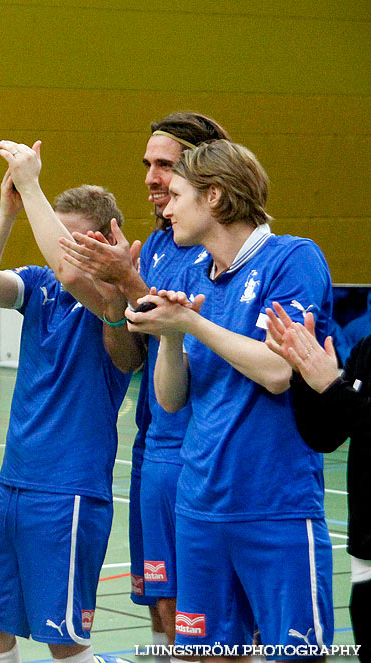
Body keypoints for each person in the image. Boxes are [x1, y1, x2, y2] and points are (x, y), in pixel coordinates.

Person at [127, 140, 333, 650]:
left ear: (214, 197)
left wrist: (191, 322)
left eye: (177, 194)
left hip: (274, 506)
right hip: (200, 505)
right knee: (211, 655)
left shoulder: (292, 257)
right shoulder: (197, 273)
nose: (166, 206)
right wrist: (172, 335)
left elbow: (278, 369)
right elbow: (171, 402)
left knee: (296, 655)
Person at [0, 142, 139, 663]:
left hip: (70, 488)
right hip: (14, 481)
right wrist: (8, 211)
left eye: (68, 235)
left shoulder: (110, 292)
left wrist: (33, 183)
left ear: (105, 239)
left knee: (64, 638)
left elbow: (72, 270)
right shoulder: (39, 285)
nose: (53, 246)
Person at [57, 113, 230, 646]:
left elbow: (202, 347)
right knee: (163, 609)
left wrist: (128, 280)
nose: (152, 178)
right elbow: (130, 356)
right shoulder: (154, 248)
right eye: (148, 165)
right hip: (155, 448)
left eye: (166, 166)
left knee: (208, 618)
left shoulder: (226, 253)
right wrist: (114, 299)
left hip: (208, 451)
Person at [265, 305, 370, 660]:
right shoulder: (368, 349)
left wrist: (332, 386)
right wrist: (303, 377)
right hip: (366, 553)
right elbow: (326, 436)